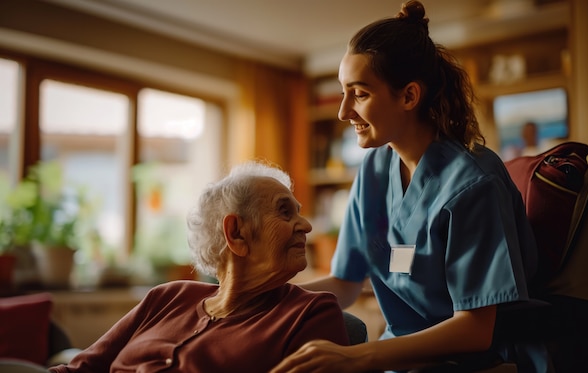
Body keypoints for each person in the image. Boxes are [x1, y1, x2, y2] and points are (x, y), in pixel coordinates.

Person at [271, 1, 545, 373]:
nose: (343, 112)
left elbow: (476, 330)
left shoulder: (473, 185)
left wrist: (356, 357)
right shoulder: (374, 170)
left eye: (360, 94)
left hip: (473, 363)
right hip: (398, 359)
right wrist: (262, 303)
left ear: (409, 96)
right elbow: (346, 283)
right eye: (342, 92)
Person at [49, 161, 349, 373]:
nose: (307, 225)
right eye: (285, 212)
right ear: (236, 233)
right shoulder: (168, 297)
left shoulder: (310, 314)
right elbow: (82, 368)